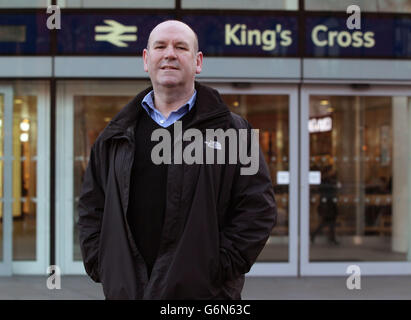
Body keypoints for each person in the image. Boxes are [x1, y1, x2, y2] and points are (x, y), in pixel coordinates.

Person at [77, 20, 277, 300]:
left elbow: (258, 209)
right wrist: (103, 263)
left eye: (180, 47)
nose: (169, 53)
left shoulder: (233, 131)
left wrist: (217, 268)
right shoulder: (115, 136)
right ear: (146, 60)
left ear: (198, 62)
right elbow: (91, 207)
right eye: (160, 46)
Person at [310, 166, 339, 245]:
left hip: (329, 203)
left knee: (330, 222)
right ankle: (315, 234)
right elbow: (324, 190)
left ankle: (331, 237)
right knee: (327, 221)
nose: (333, 172)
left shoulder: (329, 180)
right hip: (327, 204)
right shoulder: (325, 180)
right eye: (331, 170)